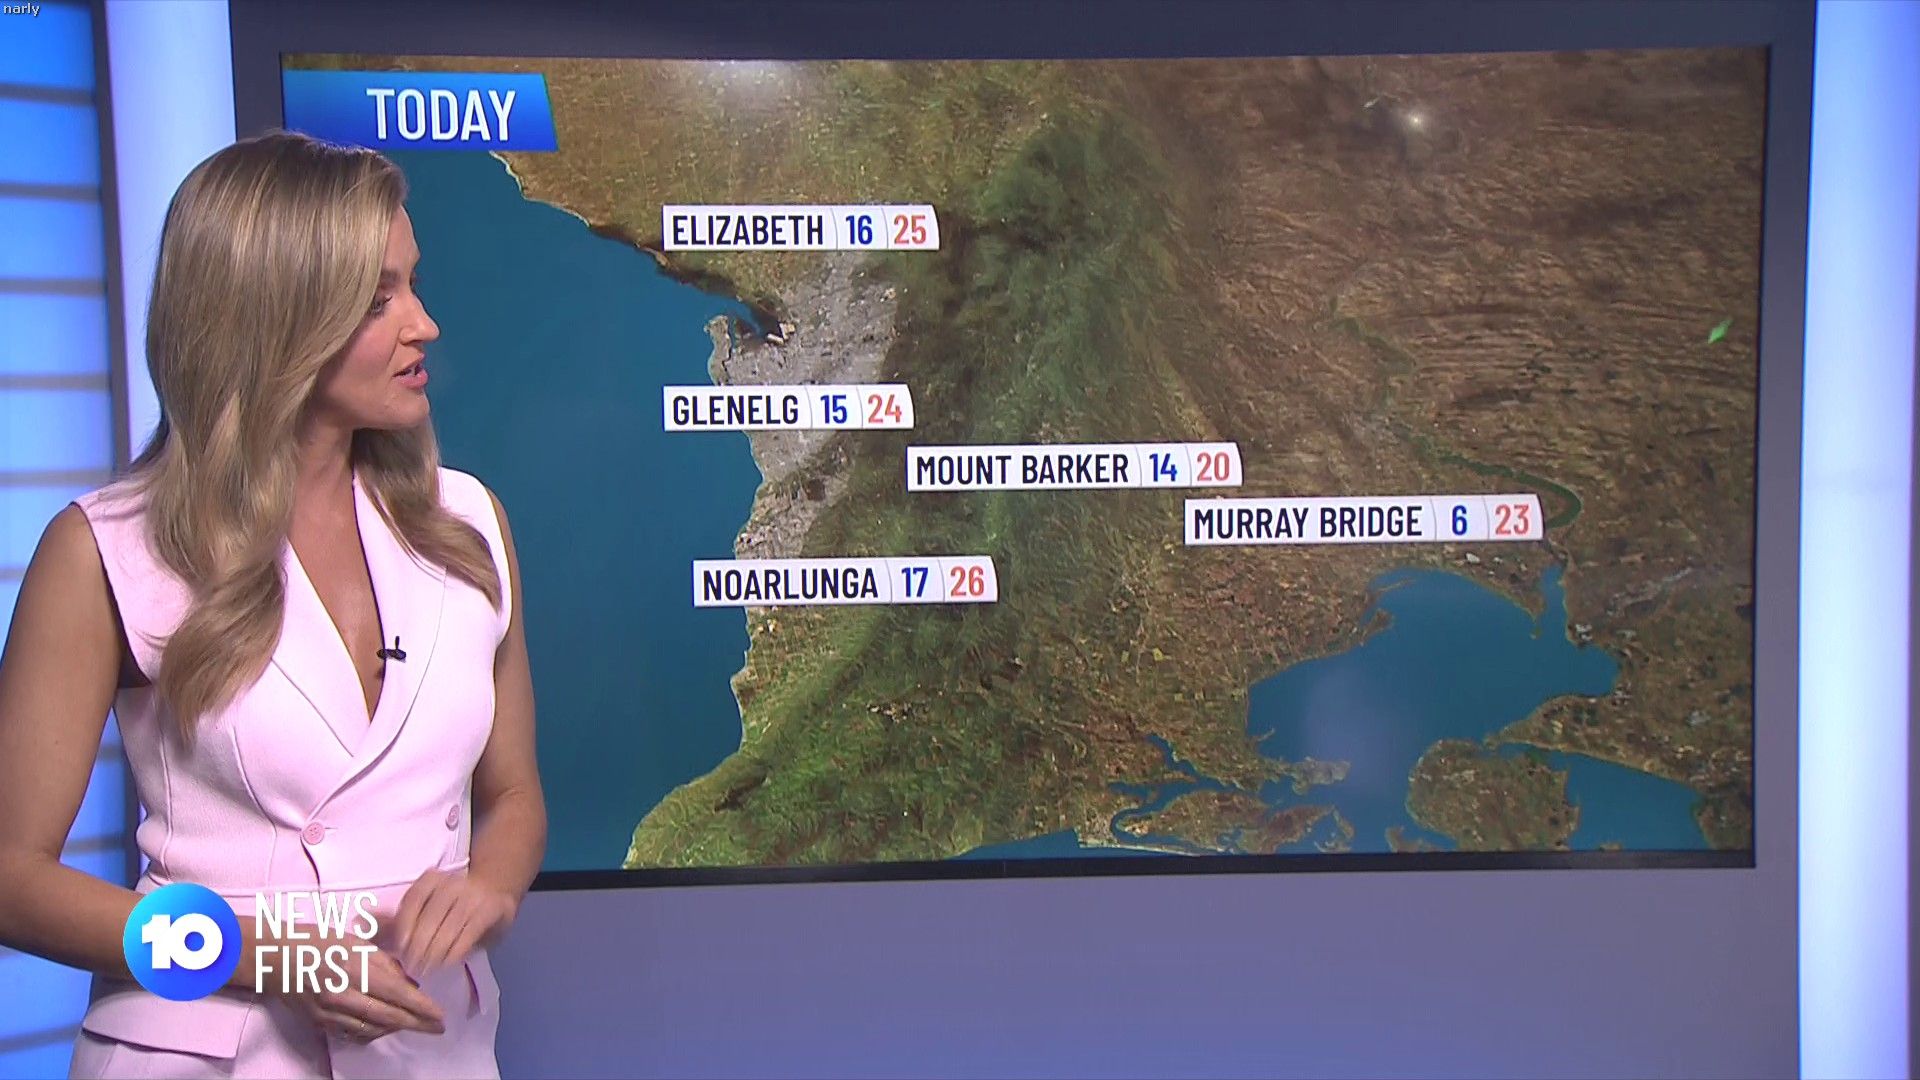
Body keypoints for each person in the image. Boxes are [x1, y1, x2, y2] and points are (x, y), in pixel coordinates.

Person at [0, 130, 547, 1078]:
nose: (424, 324)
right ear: (276, 318)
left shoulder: (469, 525)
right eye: (378, 300)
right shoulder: (105, 550)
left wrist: (491, 887)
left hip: (431, 1049)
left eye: (413, 285)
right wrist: (270, 957)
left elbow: (512, 795)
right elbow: (11, 882)